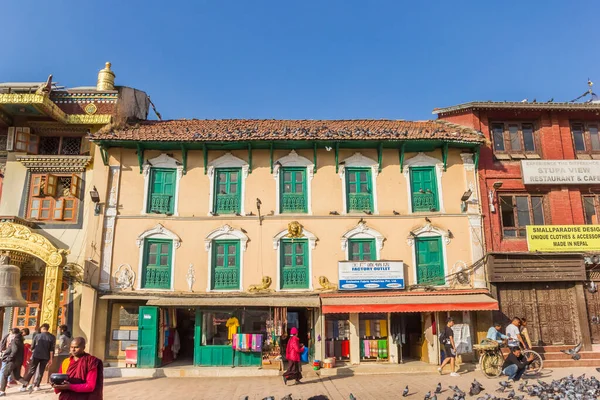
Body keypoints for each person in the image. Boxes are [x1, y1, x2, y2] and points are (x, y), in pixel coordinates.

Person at [19, 323, 55, 392]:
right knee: (41, 371)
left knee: (31, 370)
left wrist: (31, 351)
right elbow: (51, 350)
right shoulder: (52, 337)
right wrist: (51, 359)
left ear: (42, 328)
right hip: (45, 356)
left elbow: (32, 347)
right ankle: (37, 386)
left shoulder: (37, 335)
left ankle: (24, 386)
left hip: (36, 356)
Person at [0, 328, 24, 397]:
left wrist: (9, 358)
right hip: (18, 361)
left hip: (12, 361)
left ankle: (2, 391)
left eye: (11, 334)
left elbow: (14, 350)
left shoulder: (14, 341)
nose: (10, 335)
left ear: (13, 334)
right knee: (16, 376)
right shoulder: (20, 340)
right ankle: (27, 384)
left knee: (4, 374)